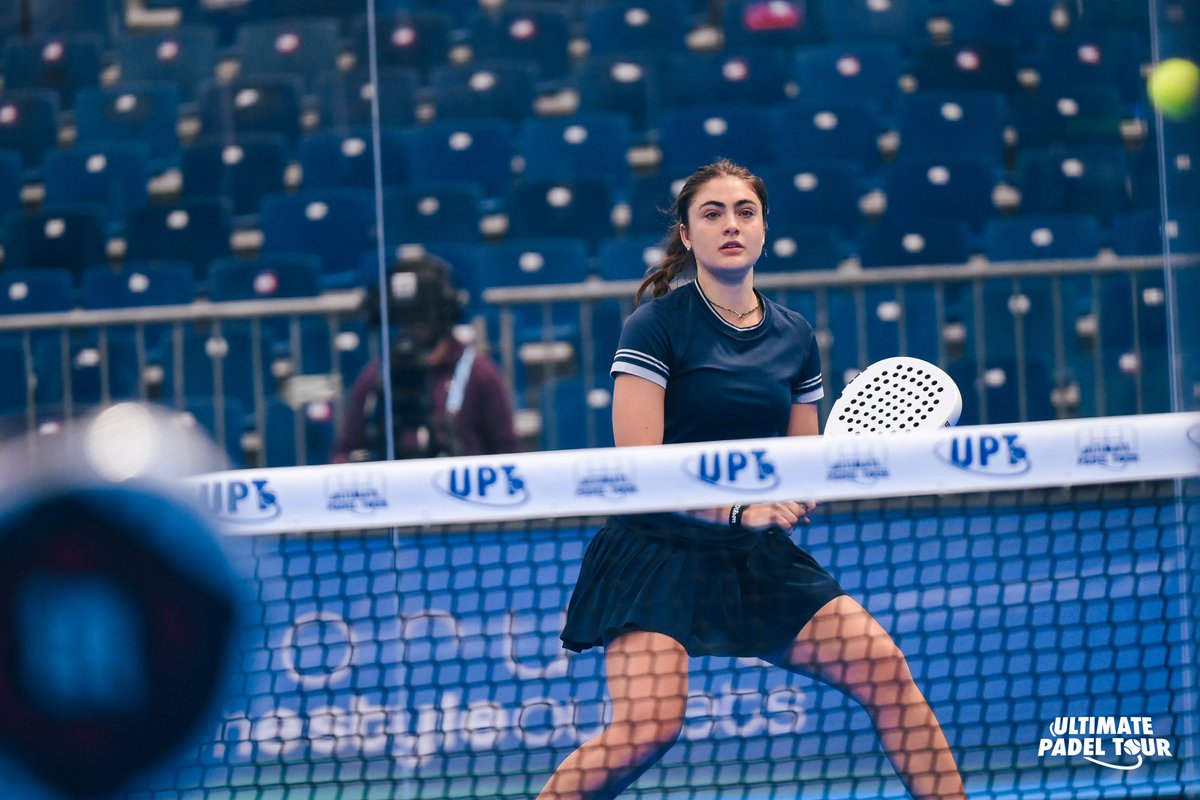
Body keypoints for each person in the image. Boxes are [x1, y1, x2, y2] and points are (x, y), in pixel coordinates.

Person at [538, 160, 968, 799]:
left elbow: (802, 458)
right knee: (647, 729)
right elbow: (639, 471)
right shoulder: (655, 326)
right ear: (687, 234)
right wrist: (740, 509)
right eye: (712, 213)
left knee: (885, 670)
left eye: (745, 212)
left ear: (764, 228)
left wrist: (793, 494)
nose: (730, 225)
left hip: (751, 557)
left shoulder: (795, 336)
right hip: (658, 551)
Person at [332, 253, 519, 461]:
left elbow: (508, 454)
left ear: (444, 312)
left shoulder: (478, 373)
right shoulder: (377, 376)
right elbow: (345, 451)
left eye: (421, 317)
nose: (413, 327)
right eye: (405, 318)